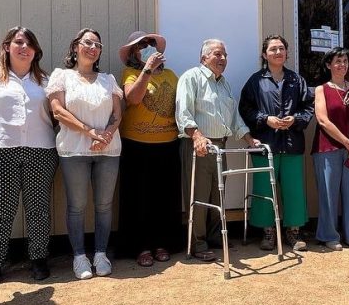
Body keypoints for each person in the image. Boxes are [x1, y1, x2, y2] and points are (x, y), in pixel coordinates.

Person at [0, 27, 58, 290]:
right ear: (7, 47)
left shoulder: (45, 82)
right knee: (1, 208)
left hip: (40, 149)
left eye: (30, 44)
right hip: (1, 150)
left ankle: (38, 259)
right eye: (19, 42)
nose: (24, 48)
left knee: (37, 208)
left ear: (36, 51)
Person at [46, 29, 123, 280]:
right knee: (77, 206)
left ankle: (100, 254)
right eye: (87, 42)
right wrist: (91, 132)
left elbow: (117, 114)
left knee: (104, 205)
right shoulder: (62, 77)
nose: (93, 47)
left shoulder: (108, 79)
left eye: (97, 44)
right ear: (75, 47)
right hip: (74, 149)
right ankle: (79, 257)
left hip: (108, 150)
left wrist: (107, 134)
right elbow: (58, 111)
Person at [175, 39, 260, 261]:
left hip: (220, 145)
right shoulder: (191, 77)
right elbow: (183, 112)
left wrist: (250, 139)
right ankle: (198, 243)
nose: (222, 59)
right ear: (203, 58)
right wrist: (198, 137)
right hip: (198, 145)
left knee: (218, 192)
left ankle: (214, 236)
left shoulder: (224, 84)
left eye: (225, 55)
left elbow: (234, 118)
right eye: (217, 54)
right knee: (199, 195)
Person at [239, 35, 314, 252]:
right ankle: (268, 232)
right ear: (264, 54)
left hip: (292, 144)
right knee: (264, 189)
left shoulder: (296, 80)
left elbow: (308, 106)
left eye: (281, 48)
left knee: (294, 190)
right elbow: (245, 108)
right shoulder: (255, 81)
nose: (278, 52)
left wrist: (296, 119)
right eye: (273, 49)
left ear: (287, 53)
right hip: (265, 145)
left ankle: (293, 232)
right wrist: (265, 119)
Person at [117, 30, 182, 267]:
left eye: (150, 44)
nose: (147, 47)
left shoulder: (173, 76)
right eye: (141, 45)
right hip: (137, 146)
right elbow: (132, 99)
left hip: (168, 145)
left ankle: (163, 243)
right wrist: (147, 71)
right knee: (139, 198)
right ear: (134, 53)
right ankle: (140, 246)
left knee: (164, 198)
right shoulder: (131, 73)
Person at [311, 48, 349, 251]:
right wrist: (347, 142)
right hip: (327, 148)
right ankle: (329, 235)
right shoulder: (321, 89)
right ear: (328, 65)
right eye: (337, 61)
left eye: (345, 60)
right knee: (328, 194)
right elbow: (322, 120)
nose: (342, 64)